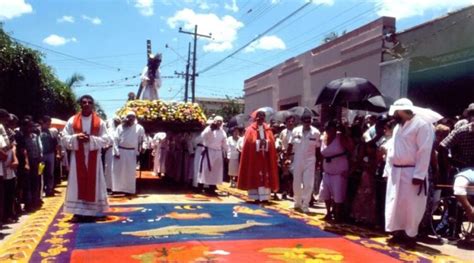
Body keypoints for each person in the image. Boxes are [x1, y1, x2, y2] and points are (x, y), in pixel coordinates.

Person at [383, 98, 435, 248]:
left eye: (396, 112)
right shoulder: (399, 126)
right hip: (395, 171)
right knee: (395, 203)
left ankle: (410, 235)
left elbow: (424, 151)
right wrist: (388, 169)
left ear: (402, 110)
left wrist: (419, 175)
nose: (394, 115)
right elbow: (392, 148)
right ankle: (397, 232)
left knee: (411, 205)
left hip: (411, 171)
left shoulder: (422, 125)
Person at [62, 95, 112, 222]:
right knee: (77, 183)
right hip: (77, 157)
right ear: (80, 104)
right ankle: (78, 212)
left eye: (89, 102)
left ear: (93, 105)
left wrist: (91, 139)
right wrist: (76, 137)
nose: (87, 104)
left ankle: (94, 211)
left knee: (94, 183)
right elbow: (63, 137)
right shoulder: (72, 120)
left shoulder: (99, 122)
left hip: (93, 158)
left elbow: (107, 139)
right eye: (84, 102)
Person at [439, 103, 474, 222]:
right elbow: (443, 146)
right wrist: (448, 163)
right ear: (470, 117)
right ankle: (452, 228)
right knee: (454, 200)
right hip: (460, 167)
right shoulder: (462, 131)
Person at [238, 110, 279, 203]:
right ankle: (255, 196)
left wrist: (267, 143)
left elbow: (272, 143)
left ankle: (264, 197)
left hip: (265, 158)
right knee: (254, 176)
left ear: (264, 119)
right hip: (254, 158)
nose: (260, 119)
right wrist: (258, 143)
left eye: (262, 118)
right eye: (259, 118)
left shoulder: (268, 129)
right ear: (256, 118)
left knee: (266, 176)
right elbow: (249, 143)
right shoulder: (250, 130)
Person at [286, 111, 321, 213]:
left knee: (308, 184)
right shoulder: (295, 131)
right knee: (296, 183)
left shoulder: (316, 132)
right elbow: (290, 145)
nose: (307, 124)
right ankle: (297, 203)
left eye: (309, 122)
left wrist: (318, 162)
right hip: (298, 159)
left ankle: (305, 205)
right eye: (305, 122)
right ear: (301, 121)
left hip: (310, 160)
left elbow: (318, 149)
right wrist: (287, 158)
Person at [319, 120, 353, 222]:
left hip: (339, 171)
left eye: (331, 129)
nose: (329, 131)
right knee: (325, 192)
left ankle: (338, 214)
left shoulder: (341, 138)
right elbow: (322, 154)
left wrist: (350, 169)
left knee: (338, 194)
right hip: (327, 170)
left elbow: (351, 150)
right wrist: (321, 166)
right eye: (327, 129)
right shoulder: (323, 137)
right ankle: (328, 212)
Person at [112, 111, 145, 196]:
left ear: (135, 118)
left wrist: (143, 147)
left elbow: (142, 140)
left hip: (132, 153)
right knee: (118, 171)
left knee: (130, 172)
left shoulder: (139, 128)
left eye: (132, 117)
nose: (130, 118)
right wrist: (116, 151)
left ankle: (129, 190)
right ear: (126, 118)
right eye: (129, 116)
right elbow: (115, 140)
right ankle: (117, 189)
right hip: (120, 151)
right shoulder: (120, 127)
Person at [198, 116, 228, 196]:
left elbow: (225, 143)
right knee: (206, 169)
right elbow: (203, 136)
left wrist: (227, 154)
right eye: (217, 121)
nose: (219, 123)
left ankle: (212, 187)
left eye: (220, 121)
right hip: (209, 151)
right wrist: (211, 129)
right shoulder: (208, 129)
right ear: (214, 121)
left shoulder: (223, 132)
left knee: (216, 171)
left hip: (218, 152)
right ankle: (202, 186)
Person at [39, 115, 59, 197]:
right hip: (41, 155)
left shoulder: (51, 132)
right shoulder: (38, 131)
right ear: (42, 123)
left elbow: (56, 143)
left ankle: (49, 189)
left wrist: (57, 153)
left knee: (50, 173)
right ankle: (40, 190)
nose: (49, 125)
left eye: (49, 124)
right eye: (47, 124)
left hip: (50, 154)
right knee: (40, 172)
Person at [279, 115, 296, 199]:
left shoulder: (296, 132)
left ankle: (292, 190)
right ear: (286, 123)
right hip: (285, 155)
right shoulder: (283, 132)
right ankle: (284, 191)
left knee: (294, 174)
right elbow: (280, 142)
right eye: (289, 121)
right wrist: (282, 150)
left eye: (292, 121)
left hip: (294, 155)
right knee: (285, 175)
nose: (291, 123)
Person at [104, 117, 120, 192]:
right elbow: (106, 141)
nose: (117, 122)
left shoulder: (121, 130)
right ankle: (109, 186)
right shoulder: (109, 131)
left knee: (117, 169)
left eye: (118, 121)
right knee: (109, 168)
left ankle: (117, 186)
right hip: (110, 151)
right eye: (116, 121)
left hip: (119, 151)